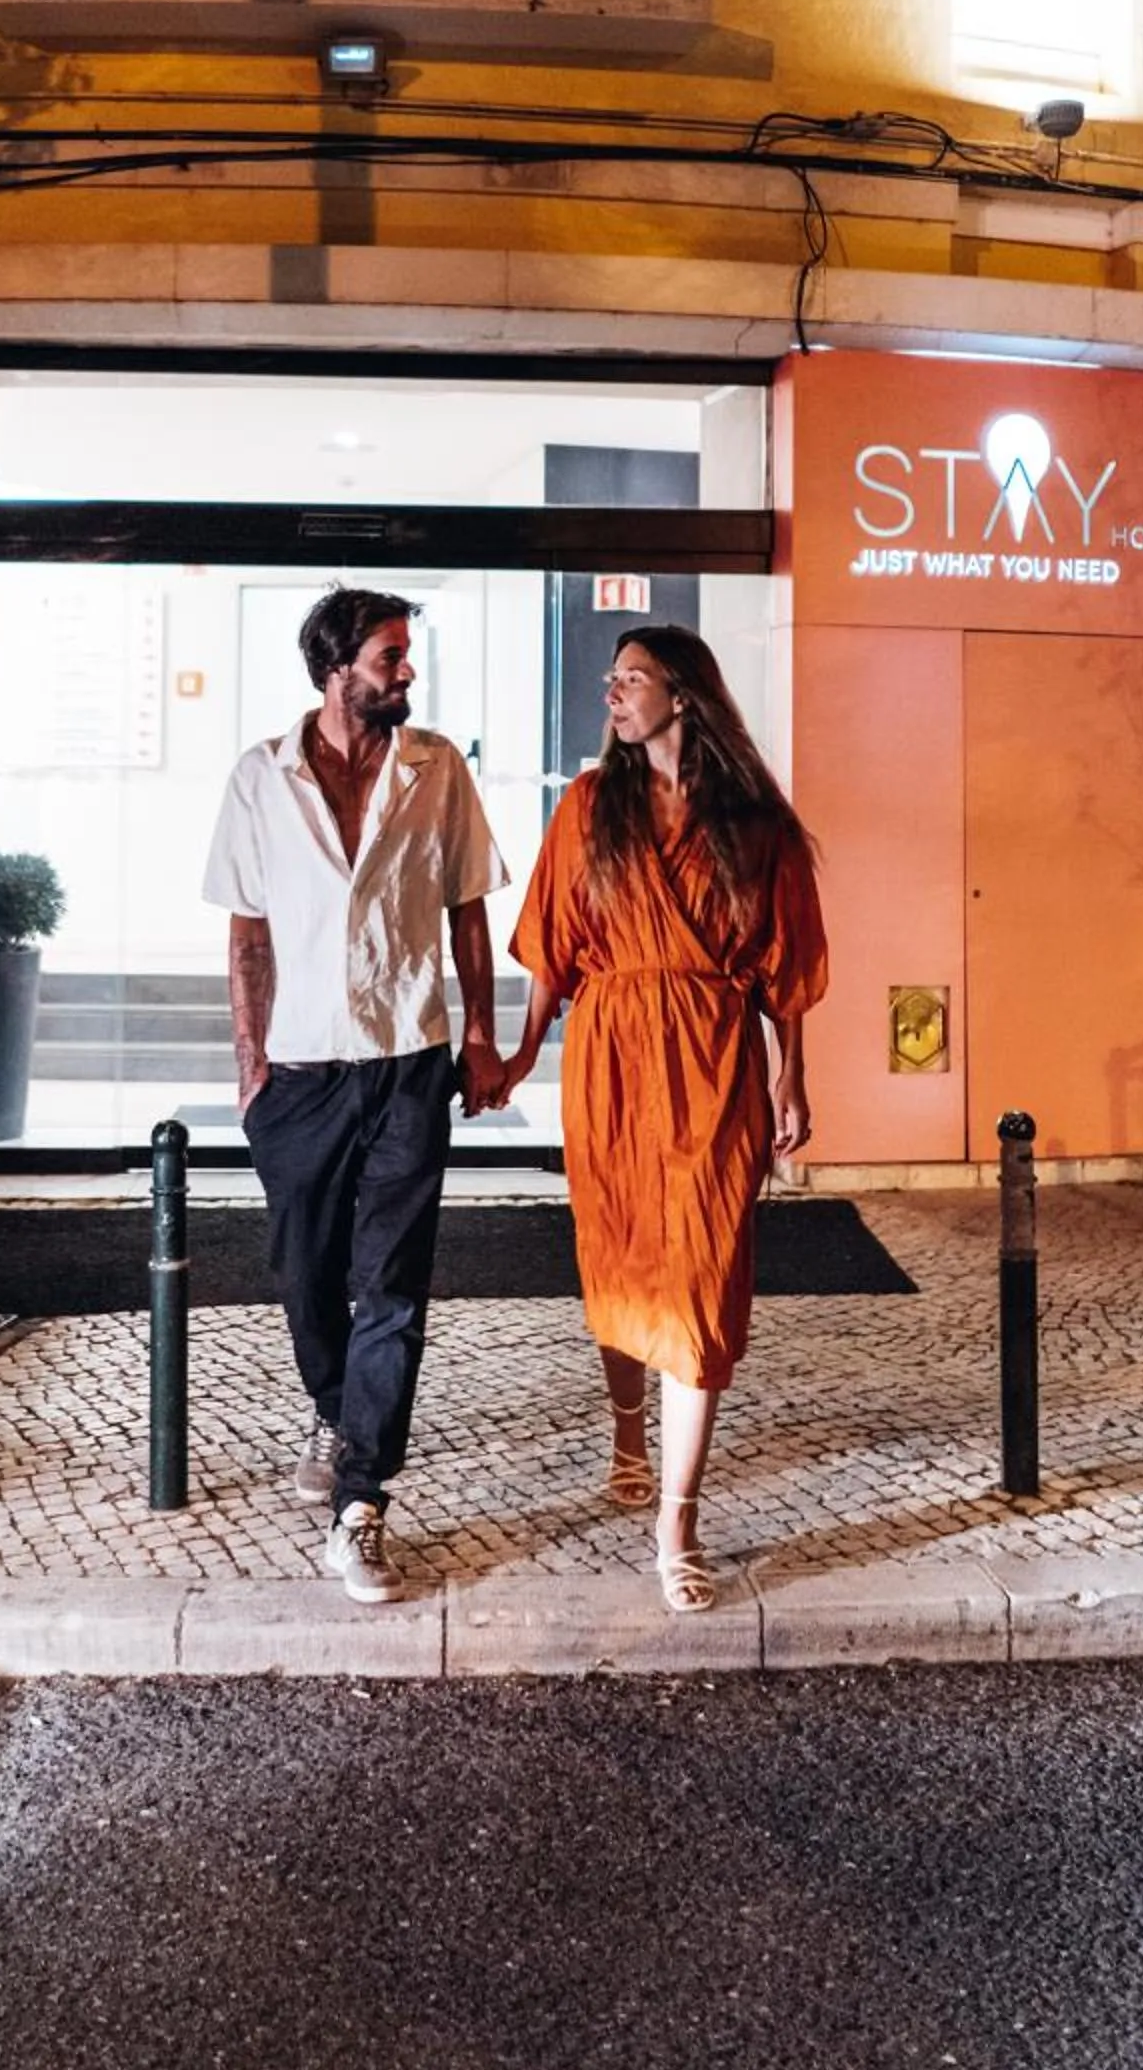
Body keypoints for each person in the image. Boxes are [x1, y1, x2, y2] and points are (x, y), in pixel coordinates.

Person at [497, 624, 827, 1614]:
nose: (612, 692)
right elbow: (551, 942)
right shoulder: (589, 807)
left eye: (631, 679)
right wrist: (519, 1052)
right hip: (609, 1053)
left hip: (715, 1054)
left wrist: (789, 1081)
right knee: (624, 1251)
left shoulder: (755, 823)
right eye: (610, 679)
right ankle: (626, 1428)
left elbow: (784, 968)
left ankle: (675, 1519)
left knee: (704, 1271)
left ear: (682, 694)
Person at [205, 586, 507, 1603]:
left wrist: (477, 1030)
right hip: (296, 1075)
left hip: (408, 1061)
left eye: (404, 656)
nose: (404, 673)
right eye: (388, 657)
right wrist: (249, 1068)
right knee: (305, 1277)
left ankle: (360, 1502)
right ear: (334, 667)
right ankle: (340, 1416)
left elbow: (467, 905)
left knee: (393, 1288)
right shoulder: (260, 777)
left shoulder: (436, 769)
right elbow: (246, 931)